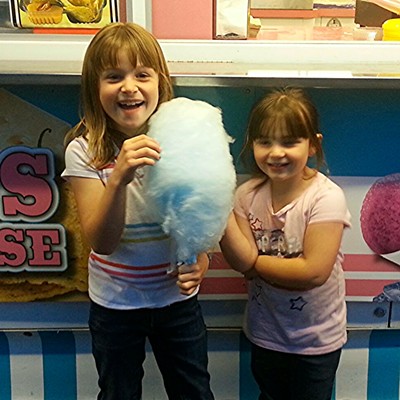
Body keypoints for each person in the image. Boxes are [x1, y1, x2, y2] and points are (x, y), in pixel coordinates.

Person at [62, 22, 214, 400]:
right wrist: (119, 178)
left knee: (194, 391)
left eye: (141, 75)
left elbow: (199, 216)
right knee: (118, 393)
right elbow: (102, 242)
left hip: (176, 302)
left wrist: (202, 260)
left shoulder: (183, 141)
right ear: (94, 88)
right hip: (115, 303)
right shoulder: (84, 151)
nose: (129, 87)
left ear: (160, 82)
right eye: (114, 76)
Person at [220, 87, 351, 400]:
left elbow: (313, 272)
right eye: (264, 141)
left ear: (313, 146)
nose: (276, 152)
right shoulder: (246, 196)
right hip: (265, 335)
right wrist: (218, 209)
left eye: (289, 141)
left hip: (317, 341)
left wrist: (255, 263)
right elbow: (240, 261)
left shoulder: (325, 197)